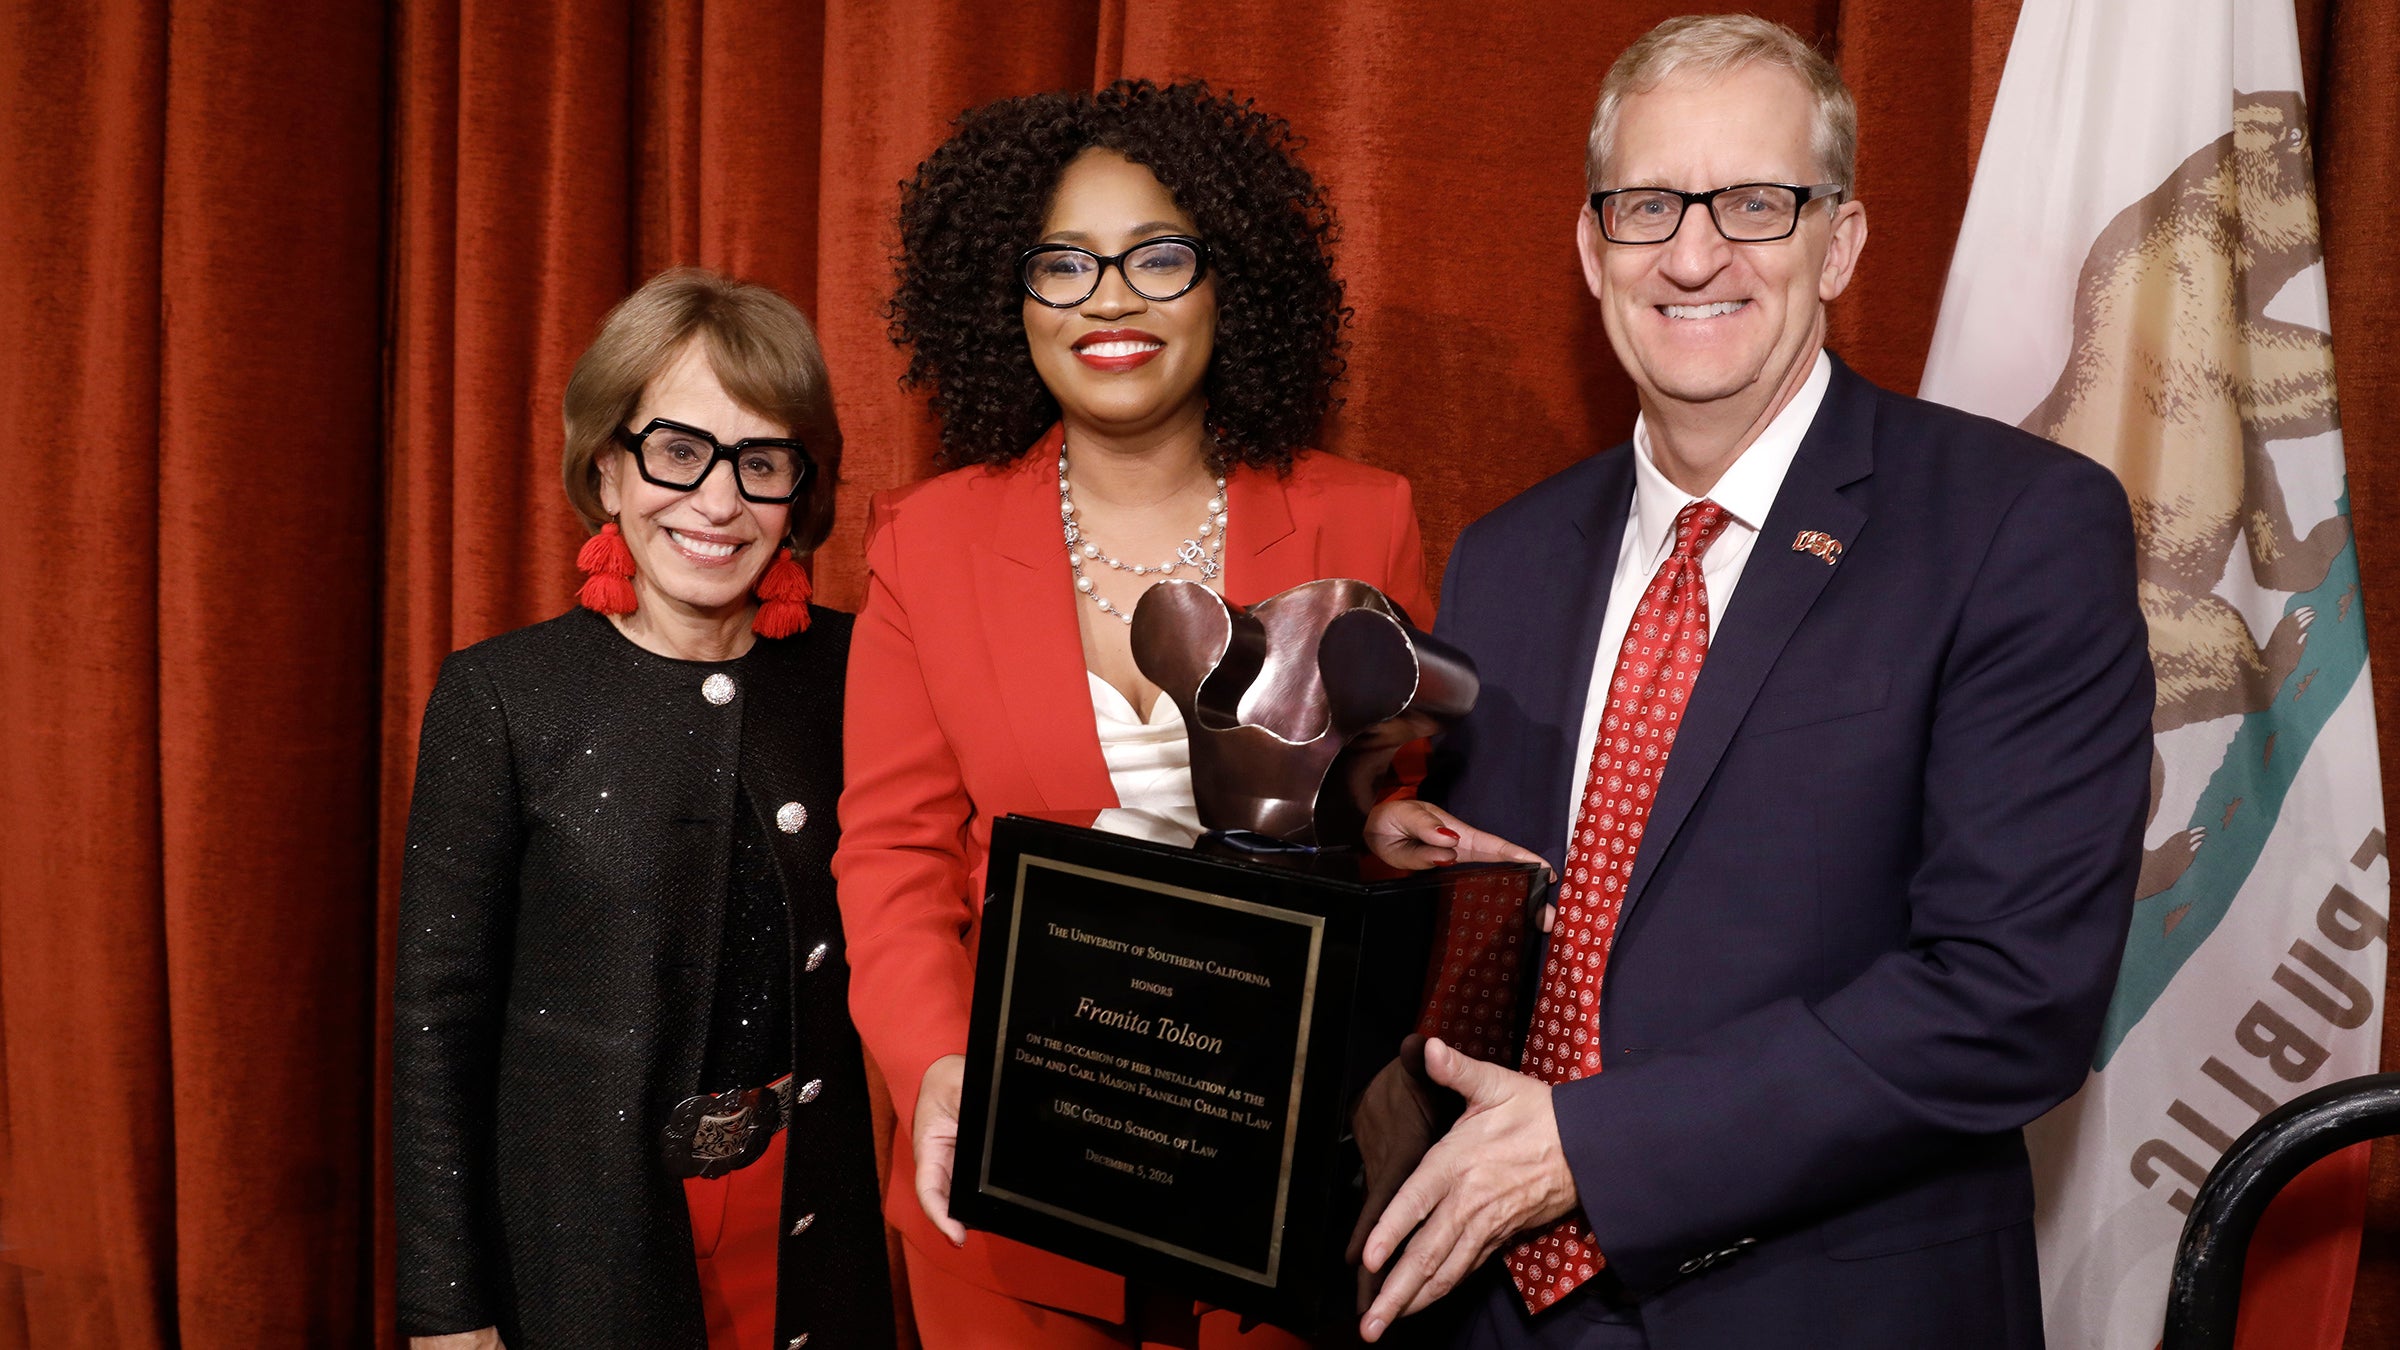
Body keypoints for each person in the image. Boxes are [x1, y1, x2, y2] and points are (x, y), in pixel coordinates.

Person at [1353, 16, 2153, 1350]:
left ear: (1839, 242)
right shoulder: (1506, 556)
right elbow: (1531, 919)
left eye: (1757, 203)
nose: (1693, 251)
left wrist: (1590, 1148)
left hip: (1828, 1302)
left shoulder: (2018, 527)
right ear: (1591, 245)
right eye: (1650, 202)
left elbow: (2010, 995)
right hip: (1492, 1307)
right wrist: (1397, 869)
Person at [837, 79, 1432, 1348]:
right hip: (1008, 1200)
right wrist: (940, 1071)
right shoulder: (923, 545)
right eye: (1062, 264)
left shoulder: (1364, 519)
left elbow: (1405, 840)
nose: (1110, 298)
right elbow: (891, 856)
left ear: (1232, 282)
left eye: (1159, 255)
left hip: (1276, 1203)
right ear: (1009, 299)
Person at [394, 268, 893, 1350]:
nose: (718, 502)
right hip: (586, 1244)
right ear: (609, 470)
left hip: (815, 1231)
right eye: (678, 452)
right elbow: (440, 1022)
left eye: (761, 464)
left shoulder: (868, 673)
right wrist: (447, 1308)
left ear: (800, 494)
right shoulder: (501, 697)